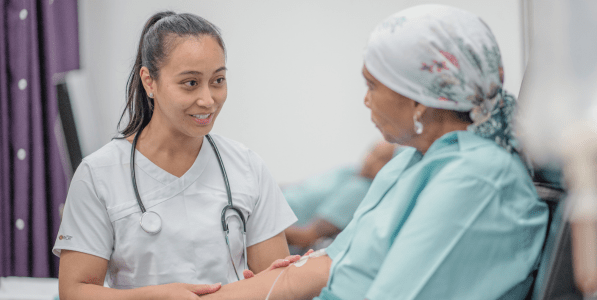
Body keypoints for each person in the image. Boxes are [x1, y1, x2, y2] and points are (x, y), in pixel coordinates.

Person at [200, 4, 549, 300]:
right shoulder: (415, 161)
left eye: (372, 85)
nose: (366, 99)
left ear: (418, 98)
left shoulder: (477, 180)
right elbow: (336, 263)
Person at [53, 12, 301, 299]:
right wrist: (158, 296)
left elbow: (276, 281)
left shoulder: (247, 167)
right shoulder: (98, 175)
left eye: (218, 80)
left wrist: (291, 277)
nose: (208, 100)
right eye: (190, 83)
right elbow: (74, 291)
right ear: (149, 81)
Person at [284, 141, 396, 250]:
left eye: (382, 159)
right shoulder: (349, 171)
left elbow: (305, 237)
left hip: (279, 228)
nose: (372, 161)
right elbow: (300, 188)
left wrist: (271, 225)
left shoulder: (360, 191)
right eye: (373, 153)